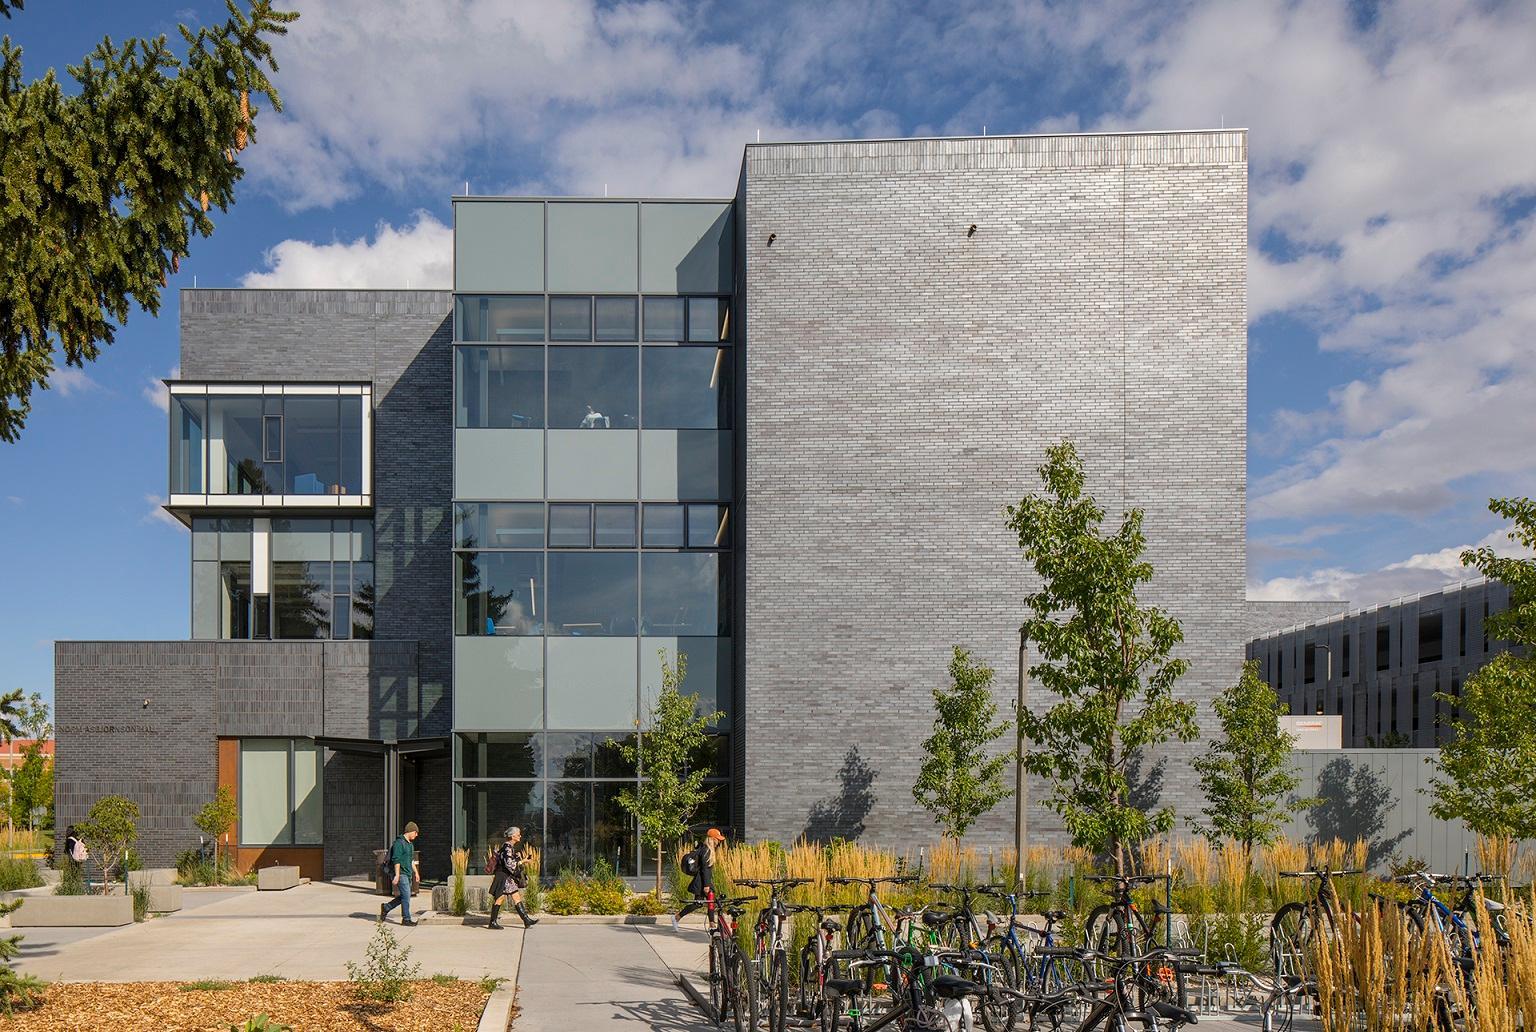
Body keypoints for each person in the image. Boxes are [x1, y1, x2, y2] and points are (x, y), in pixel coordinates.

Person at [672, 827, 725, 933]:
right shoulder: (706, 850)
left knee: (703, 902)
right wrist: (706, 885)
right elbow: (705, 870)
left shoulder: (706, 849)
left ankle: (678, 918)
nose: (719, 841)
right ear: (712, 839)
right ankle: (712, 924)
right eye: (718, 839)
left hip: (703, 881)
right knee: (708, 901)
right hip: (702, 882)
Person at [486, 826, 538, 930]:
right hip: (503, 876)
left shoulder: (508, 847)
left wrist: (520, 858)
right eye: (518, 834)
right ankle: (493, 922)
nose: (520, 836)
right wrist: (523, 861)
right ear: (513, 836)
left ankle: (526, 920)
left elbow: (509, 861)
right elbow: (509, 864)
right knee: (500, 898)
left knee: (515, 896)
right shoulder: (507, 847)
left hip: (506, 876)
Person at [379, 821, 421, 926]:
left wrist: (416, 873)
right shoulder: (399, 843)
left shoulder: (410, 845)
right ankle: (406, 919)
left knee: (404, 896)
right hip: (401, 874)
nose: (417, 835)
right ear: (411, 831)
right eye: (416, 833)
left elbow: (411, 860)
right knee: (406, 896)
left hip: (408, 874)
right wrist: (397, 875)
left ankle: (386, 907)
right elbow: (396, 860)